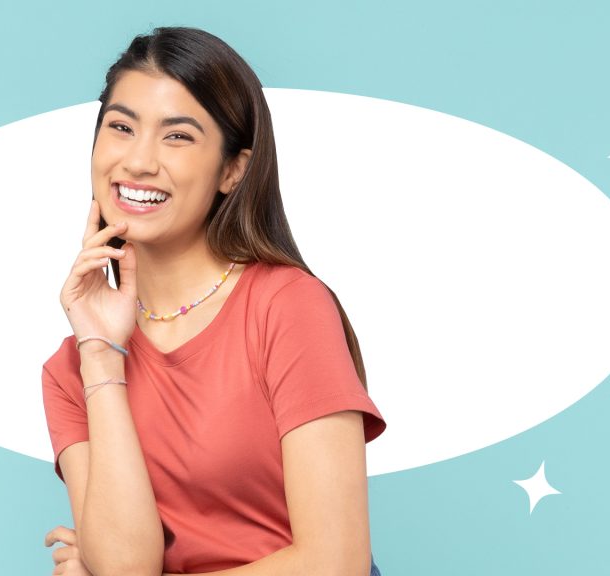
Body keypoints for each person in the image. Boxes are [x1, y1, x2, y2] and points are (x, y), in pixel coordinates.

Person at [41, 26, 387, 576]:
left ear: (233, 170)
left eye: (177, 136)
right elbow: (127, 566)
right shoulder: (73, 368)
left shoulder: (287, 306)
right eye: (122, 127)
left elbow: (335, 563)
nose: (138, 161)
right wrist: (103, 357)